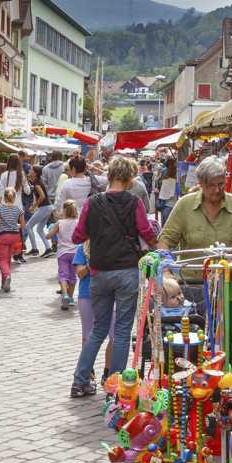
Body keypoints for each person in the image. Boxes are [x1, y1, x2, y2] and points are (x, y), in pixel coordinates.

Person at [70, 156, 156, 398]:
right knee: (120, 331)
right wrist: (154, 243)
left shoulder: (92, 202)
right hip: (127, 271)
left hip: (99, 272)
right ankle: (116, 387)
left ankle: (79, 381)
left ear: (109, 176)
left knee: (98, 330)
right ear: (130, 178)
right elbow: (145, 230)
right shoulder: (134, 202)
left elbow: (78, 236)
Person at [156, 154, 232, 364]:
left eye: (221, 184)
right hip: (193, 287)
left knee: (228, 348)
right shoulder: (184, 206)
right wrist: (166, 272)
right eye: (211, 186)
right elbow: (165, 241)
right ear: (200, 184)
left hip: (228, 289)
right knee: (193, 346)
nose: (217, 190)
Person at [73, 242, 112, 384]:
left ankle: (108, 372)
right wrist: (92, 264)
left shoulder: (111, 245)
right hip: (87, 295)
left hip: (108, 295)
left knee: (114, 335)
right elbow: (80, 273)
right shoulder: (82, 249)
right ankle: (88, 372)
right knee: (87, 336)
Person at [46, 199, 79, 310]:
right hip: (75, 253)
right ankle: (70, 298)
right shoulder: (78, 222)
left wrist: (52, 230)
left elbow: (48, 236)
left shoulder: (59, 223)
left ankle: (64, 294)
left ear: (64, 211)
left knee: (63, 275)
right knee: (73, 276)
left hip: (63, 253)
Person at [0, 154, 31, 263]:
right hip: (18, 207)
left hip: (5, 206)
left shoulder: (3, 175)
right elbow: (27, 191)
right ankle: (18, 255)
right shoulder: (21, 174)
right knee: (18, 231)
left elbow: (1, 193)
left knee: (3, 230)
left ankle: (1, 254)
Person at [0, 188, 24, 293]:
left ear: (4, 196)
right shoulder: (18, 208)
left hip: (4, 236)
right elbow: (22, 225)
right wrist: (15, 224)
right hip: (15, 236)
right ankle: (4, 284)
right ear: (14, 196)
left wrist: (1, 221)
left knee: (2, 260)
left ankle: (6, 276)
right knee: (8, 259)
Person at [24, 166, 53, 257]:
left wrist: (33, 206)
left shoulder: (37, 183)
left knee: (28, 226)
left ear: (35, 173)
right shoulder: (36, 181)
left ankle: (34, 249)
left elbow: (42, 196)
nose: (29, 170)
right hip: (48, 207)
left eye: (31, 170)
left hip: (44, 207)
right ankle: (48, 249)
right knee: (39, 229)